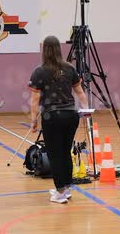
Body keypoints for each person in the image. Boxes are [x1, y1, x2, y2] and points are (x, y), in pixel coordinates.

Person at [28, 35, 89, 204]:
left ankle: (60, 191)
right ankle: (66, 188)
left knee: (55, 155)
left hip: (52, 117)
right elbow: (80, 93)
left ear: (44, 50)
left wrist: (34, 121)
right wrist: (86, 111)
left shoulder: (40, 71)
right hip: (71, 116)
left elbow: (34, 100)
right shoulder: (69, 68)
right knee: (65, 152)